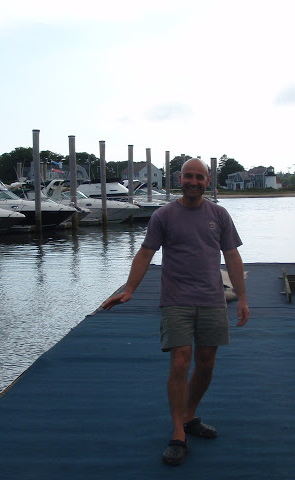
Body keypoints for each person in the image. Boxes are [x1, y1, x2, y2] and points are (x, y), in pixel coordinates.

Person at [103, 157, 250, 466]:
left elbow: (232, 255)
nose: (193, 181)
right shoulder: (164, 215)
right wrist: (129, 289)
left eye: (199, 177)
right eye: (188, 176)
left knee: (206, 363)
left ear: (207, 181)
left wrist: (243, 298)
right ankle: (178, 434)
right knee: (181, 361)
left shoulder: (219, 215)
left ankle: (189, 415)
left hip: (212, 299)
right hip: (176, 300)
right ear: (179, 179)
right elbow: (146, 252)